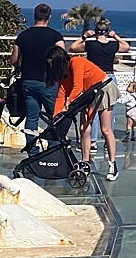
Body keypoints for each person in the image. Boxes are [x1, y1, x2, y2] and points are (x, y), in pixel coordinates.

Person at [47, 46, 122, 181]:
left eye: (52, 63)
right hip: (89, 94)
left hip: (103, 88)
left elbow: (77, 86)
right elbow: (61, 94)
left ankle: (113, 165)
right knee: (84, 129)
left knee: (105, 129)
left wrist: (68, 105)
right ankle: (85, 162)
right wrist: (55, 118)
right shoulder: (63, 75)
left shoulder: (76, 62)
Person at [9, 3, 65, 155]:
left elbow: (14, 60)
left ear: (34, 16)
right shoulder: (55, 37)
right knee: (54, 117)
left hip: (28, 82)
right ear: (49, 17)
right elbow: (62, 57)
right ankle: (53, 148)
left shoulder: (23, 36)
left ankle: (32, 150)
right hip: (49, 82)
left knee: (32, 117)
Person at [71, 17, 131, 150]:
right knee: (110, 111)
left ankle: (91, 142)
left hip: (95, 78)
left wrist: (85, 36)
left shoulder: (91, 45)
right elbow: (126, 47)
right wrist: (116, 36)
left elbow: (73, 47)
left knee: (92, 110)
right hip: (109, 78)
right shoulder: (113, 45)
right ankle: (107, 141)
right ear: (107, 30)